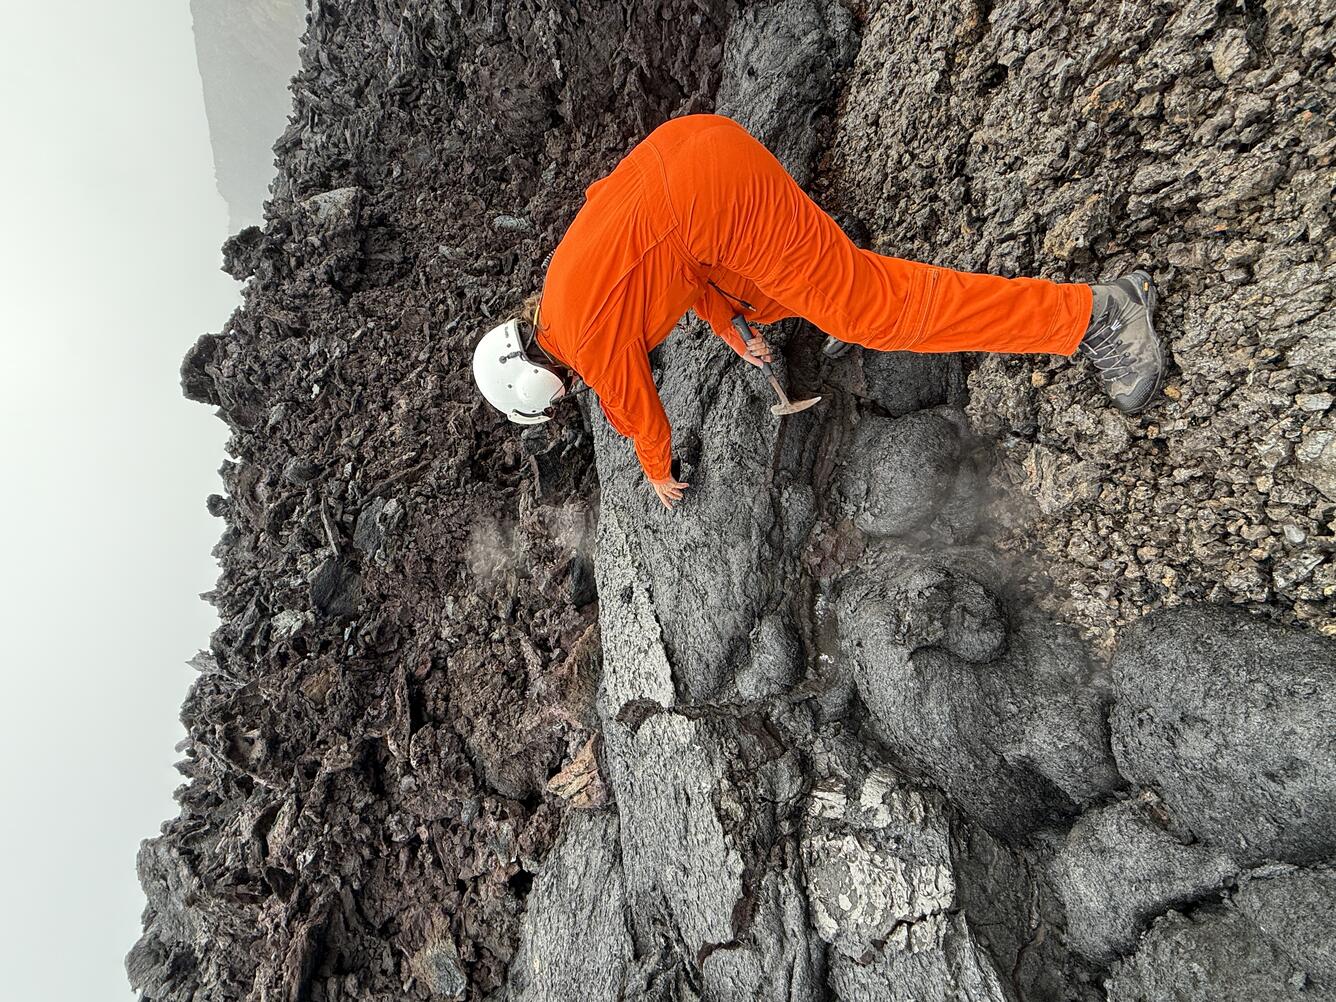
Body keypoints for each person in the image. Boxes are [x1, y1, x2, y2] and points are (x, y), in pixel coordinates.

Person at [472, 114, 1163, 510]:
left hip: (719, 199)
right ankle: (832, 273)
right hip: (699, 152)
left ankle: (1097, 316)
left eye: (553, 401)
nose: (566, 400)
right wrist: (729, 325)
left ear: (536, 384)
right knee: (774, 295)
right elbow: (666, 261)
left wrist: (657, 472)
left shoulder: (587, 345)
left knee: (874, 315)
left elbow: (641, 417)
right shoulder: (561, 287)